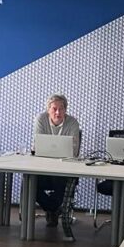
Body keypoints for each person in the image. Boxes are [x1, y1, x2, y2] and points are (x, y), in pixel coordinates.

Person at [33, 93, 81, 227]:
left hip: (63, 168)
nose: (58, 112)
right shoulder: (41, 119)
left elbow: (74, 151)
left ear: (66, 110)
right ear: (48, 110)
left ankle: (51, 210)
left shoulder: (72, 123)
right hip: (42, 167)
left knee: (61, 181)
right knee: (29, 182)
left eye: (61, 109)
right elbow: (37, 146)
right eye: (54, 109)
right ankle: (53, 209)